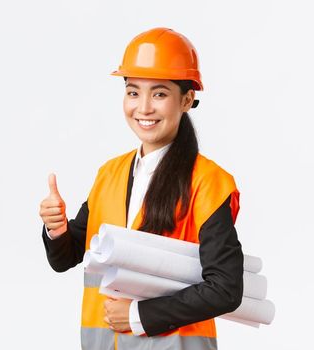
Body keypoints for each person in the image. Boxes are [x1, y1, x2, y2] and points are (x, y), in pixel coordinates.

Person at [38, 28, 245, 350]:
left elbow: (226, 288)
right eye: (133, 92)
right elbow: (67, 257)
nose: (144, 108)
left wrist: (139, 315)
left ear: (187, 99)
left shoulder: (207, 181)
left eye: (159, 94)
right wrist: (56, 229)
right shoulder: (110, 173)